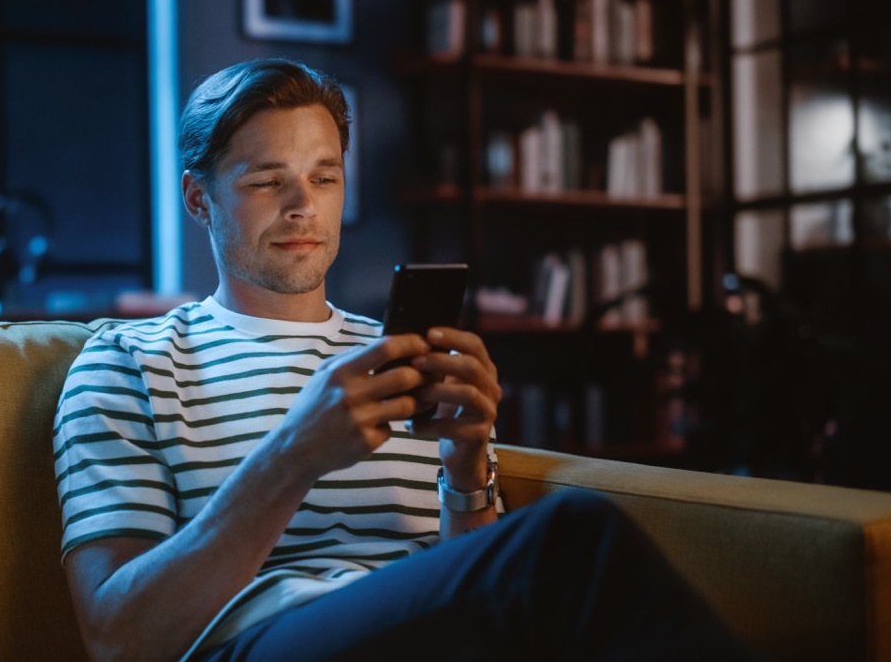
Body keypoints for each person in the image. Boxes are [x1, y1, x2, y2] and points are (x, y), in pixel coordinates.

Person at [53, 58, 759, 661]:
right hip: (262, 641)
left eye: (324, 177)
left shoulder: (396, 353)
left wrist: (464, 466)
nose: (303, 205)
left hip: (430, 633)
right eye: (267, 180)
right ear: (198, 197)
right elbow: (120, 636)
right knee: (574, 533)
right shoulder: (128, 362)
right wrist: (292, 456)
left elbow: (469, 579)